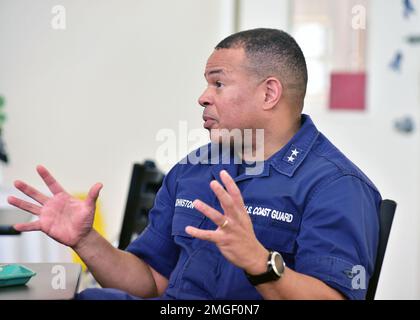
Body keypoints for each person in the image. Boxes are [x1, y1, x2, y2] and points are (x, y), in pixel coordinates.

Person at [8, 28, 380, 300]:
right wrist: (86, 241)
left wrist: (259, 261)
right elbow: (151, 281)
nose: (203, 97)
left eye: (218, 84)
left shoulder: (336, 185)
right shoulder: (195, 168)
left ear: (269, 93)